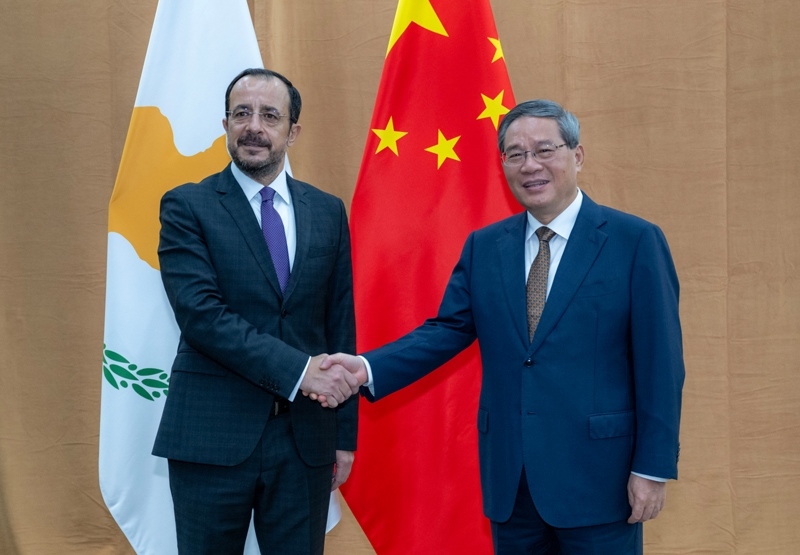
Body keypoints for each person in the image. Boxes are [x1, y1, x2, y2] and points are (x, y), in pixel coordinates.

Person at [320, 100, 685, 554]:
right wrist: (366, 369)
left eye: (544, 150)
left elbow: (661, 365)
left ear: (577, 155)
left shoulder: (634, 241)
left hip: (601, 480)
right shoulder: (485, 247)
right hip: (512, 483)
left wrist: (652, 468)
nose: (530, 165)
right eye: (515, 154)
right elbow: (446, 331)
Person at [152, 67, 360, 555]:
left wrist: (344, 434)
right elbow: (201, 316)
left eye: (270, 115)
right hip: (211, 437)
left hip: (306, 441)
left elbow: (340, 323)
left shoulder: (328, 211)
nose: (254, 127)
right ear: (225, 124)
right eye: (242, 113)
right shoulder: (187, 206)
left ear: (293, 131)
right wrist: (300, 371)